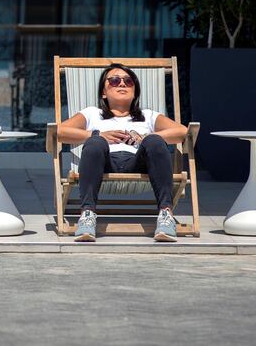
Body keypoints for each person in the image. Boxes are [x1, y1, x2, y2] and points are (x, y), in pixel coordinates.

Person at [57, 63, 187, 242]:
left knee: (155, 140)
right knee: (95, 142)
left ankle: (165, 215)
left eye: (128, 80)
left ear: (135, 90)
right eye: (115, 80)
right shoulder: (92, 114)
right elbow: (60, 131)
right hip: (104, 163)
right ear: (104, 92)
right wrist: (97, 134)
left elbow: (181, 132)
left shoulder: (148, 115)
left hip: (139, 163)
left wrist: (145, 137)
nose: (122, 84)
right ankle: (87, 215)